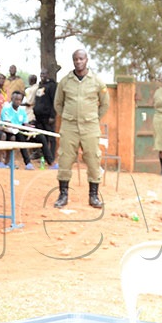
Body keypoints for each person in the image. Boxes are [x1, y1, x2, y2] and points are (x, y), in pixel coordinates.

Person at [53, 49, 108, 209]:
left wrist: (94, 118)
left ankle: (94, 196)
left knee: (93, 159)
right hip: (69, 127)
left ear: (86, 60)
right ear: (73, 61)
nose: (78, 62)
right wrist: (68, 116)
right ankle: (63, 195)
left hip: (90, 127)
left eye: (81, 59)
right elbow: (58, 103)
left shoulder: (97, 81)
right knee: (64, 159)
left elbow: (105, 104)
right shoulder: (65, 81)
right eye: (75, 59)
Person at [1, 91, 35, 169]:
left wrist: (30, 127)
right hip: (9, 131)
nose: (18, 102)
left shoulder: (22, 110)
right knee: (18, 137)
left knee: (40, 136)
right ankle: (27, 163)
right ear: (12, 99)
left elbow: (25, 123)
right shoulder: (6, 109)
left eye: (20, 100)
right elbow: (7, 124)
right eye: (16, 99)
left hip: (20, 130)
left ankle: (51, 162)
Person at [32, 68, 58, 168]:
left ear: (48, 74)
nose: (42, 75)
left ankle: (52, 158)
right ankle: (45, 157)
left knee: (51, 137)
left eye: (44, 73)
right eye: (41, 73)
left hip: (48, 117)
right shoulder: (40, 86)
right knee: (43, 138)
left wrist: (52, 115)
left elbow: (54, 101)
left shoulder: (52, 86)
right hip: (39, 117)